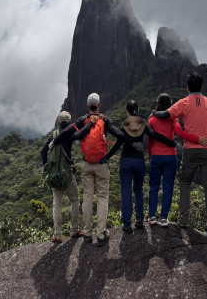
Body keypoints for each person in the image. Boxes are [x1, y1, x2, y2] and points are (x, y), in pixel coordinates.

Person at [53, 93, 142, 247]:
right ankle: (101, 234)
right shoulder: (104, 119)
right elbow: (119, 134)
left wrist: (54, 141)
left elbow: (68, 133)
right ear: (99, 105)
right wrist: (134, 145)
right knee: (102, 197)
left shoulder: (82, 120)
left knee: (87, 197)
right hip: (101, 163)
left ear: (88, 106)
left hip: (86, 164)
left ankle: (87, 233)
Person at [152, 72, 207, 236]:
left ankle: (184, 222)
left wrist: (154, 113)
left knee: (185, 183)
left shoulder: (183, 102)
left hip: (190, 150)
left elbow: (165, 114)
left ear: (188, 87)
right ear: (202, 86)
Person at [104, 100, 176, 233]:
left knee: (126, 192)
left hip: (125, 161)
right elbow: (155, 135)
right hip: (139, 162)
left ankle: (126, 224)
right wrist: (170, 143)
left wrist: (105, 158)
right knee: (138, 190)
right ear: (137, 109)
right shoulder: (143, 124)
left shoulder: (124, 126)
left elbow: (117, 146)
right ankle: (140, 220)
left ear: (127, 112)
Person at [148, 93, 207, 228]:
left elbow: (150, 140)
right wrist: (197, 139)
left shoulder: (152, 119)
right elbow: (180, 133)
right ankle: (164, 218)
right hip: (170, 157)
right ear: (170, 104)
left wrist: (150, 156)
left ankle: (152, 216)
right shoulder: (173, 118)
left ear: (157, 103)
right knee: (168, 188)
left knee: (154, 187)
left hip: (156, 156)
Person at [41, 111, 96, 244]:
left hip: (55, 174)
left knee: (57, 204)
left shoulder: (53, 135)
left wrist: (47, 166)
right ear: (70, 122)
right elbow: (81, 134)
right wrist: (89, 124)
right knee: (75, 200)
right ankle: (74, 230)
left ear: (59, 122)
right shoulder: (69, 135)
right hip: (67, 173)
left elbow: (43, 151)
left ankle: (57, 235)